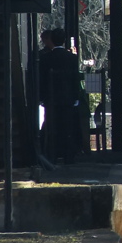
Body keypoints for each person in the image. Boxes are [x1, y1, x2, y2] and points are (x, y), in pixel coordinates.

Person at [39, 28, 82, 164]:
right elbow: (75, 79)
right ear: (64, 41)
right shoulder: (72, 58)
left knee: (52, 126)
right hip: (68, 98)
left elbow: (42, 79)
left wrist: (42, 97)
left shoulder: (45, 58)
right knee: (68, 127)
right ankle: (68, 155)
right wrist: (76, 97)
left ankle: (52, 154)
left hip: (51, 98)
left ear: (51, 40)